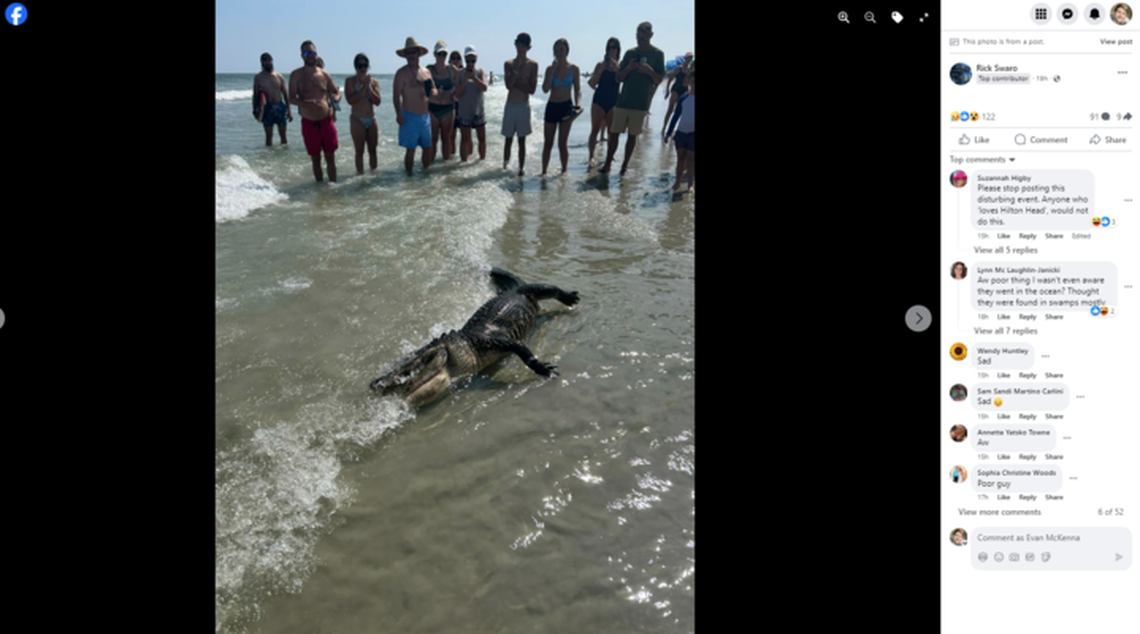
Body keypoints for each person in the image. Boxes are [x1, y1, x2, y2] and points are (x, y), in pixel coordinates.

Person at [601, 22, 664, 176]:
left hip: (640, 103)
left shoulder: (657, 54)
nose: (640, 39)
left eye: (643, 35)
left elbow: (659, 79)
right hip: (623, 101)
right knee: (614, 133)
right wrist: (628, 68)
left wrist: (649, 71)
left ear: (650, 35)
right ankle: (608, 163)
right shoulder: (630, 53)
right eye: (638, 35)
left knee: (632, 136)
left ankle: (624, 166)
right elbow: (619, 78)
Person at [289, 41, 340, 182]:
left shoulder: (324, 75)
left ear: (316, 54)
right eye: (307, 53)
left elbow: (336, 92)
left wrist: (335, 98)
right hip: (309, 123)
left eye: (312, 53)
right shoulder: (296, 75)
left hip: (326, 121)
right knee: (315, 159)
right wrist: (305, 104)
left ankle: (333, 189)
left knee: (331, 157)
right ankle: (320, 190)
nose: (310, 56)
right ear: (302, 55)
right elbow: (291, 98)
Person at [393, 37, 438, 174]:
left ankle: (426, 176)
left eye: (413, 52)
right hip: (409, 117)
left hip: (425, 117)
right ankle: (409, 178)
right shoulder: (401, 73)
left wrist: (433, 92)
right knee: (410, 150)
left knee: (427, 148)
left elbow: (434, 90)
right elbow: (395, 96)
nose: (411, 56)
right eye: (409, 53)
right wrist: (398, 114)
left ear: (419, 53)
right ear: (405, 56)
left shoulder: (426, 72)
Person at [541, 38, 581, 176]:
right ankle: (544, 172)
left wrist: (578, 104)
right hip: (552, 106)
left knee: (562, 143)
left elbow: (577, 90)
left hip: (566, 106)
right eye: (556, 51)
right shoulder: (549, 68)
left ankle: (564, 172)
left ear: (567, 51)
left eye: (561, 50)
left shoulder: (573, 68)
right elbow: (545, 89)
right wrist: (552, 71)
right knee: (548, 143)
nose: (558, 53)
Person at [503, 33, 539, 175]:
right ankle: (505, 166)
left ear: (528, 47)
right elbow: (508, 86)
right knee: (508, 139)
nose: (520, 48)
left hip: (523, 104)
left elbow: (532, 89)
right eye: (518, 44)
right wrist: (516, 73)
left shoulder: (533, 65)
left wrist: (516, 82)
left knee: (522, 140)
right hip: (511, 104)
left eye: (523, 45)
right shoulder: (509, 64)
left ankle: (521, 168)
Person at [587, 38, 621, 169]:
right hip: (599, 100)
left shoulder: (620, 65)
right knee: (595, 130)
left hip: (613, 101)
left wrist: (616, 67)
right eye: (609, 47)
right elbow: (591, 83)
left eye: (614, 47)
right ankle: (591, 155)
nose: (611, 50)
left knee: (612, 132)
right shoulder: (600, 64)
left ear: (618, 50)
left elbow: (622, 79)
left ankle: (610, 155)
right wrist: (601, 70)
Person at [346, 53, 381, 174]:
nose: (362, 69)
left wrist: (369, 88)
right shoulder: (350, 81)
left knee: (373, 150)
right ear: (355, 67)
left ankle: (374, 177)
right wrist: (363, 88)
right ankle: (360, 178)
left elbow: (378, 101)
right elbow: (350, 100)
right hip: (357, 119)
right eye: (360, 66)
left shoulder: (374, 82)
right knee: (359, 151)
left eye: (365, 65)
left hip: (371, 119)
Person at [455, 46, 488, 162]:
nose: (470, 63)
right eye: (468, 60)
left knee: (482, 139)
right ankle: (463, 164)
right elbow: (457, 94)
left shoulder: (480, 72)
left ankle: (482, 162)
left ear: (476, 59)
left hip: (478, 110)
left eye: (472, 60)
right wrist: (464, 80)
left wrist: (474, 78)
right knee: (464, 140)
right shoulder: (459, 74)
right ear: (464, 59)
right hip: (464, 111)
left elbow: (484, 88)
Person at [427, 41, 459, 162]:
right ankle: (429, 170)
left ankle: (445, 171)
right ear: (434, 54)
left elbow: (460, 86)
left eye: (444, 54)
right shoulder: (429, 70)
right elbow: (421, 89)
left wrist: (454, 95)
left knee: (447, 139)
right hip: (432, 109)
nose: (442, 57)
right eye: (439, 54)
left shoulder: (452, 70)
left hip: (448, 109)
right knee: (433, 140)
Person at [664, 71, 694, 194]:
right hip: (681, 133)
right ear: (689, 82)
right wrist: (668, 132)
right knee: (680, 159)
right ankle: (677, 182)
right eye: (693, 81)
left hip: (693, 134)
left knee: (691, 159)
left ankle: (690, 185)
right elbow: (676, 117)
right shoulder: (683, 98)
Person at [253, 52, 291, 146]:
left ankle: (284, 157)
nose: (267, 63)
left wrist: (289, 111)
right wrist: (255, 109)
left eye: (269, 60)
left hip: (280, 107)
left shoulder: (279, 76)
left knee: (283, 136)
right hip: (267, 109)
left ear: (272, 61)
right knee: (268, 137)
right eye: (264, 61)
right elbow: (256, 94)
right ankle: (268, 158)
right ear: (261, 63)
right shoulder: (258, 77)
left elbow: (286, 95)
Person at [661, 52, 692, 140]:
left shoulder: (690, 70)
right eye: (688, 57)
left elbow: (690, 82)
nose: (689, 59)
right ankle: (664, 127)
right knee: (670, 109)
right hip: (676, 89)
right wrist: (667, 90)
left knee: (679, 110)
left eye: (691, 58)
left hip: (684, 90)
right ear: (685, 58)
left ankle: (674, 128)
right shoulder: (679, 68)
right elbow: (670, 79)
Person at [313, 57, 341, 122]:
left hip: (328, 110)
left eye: (320, 65)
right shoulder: (310, 79)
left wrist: (334, 113)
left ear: (323, 65)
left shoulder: (327, 78)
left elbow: (336, 94)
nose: (319, 67)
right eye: (317, 65)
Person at [449, 51, 464, 157]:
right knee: (451, 135)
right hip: (451, 106)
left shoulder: (464, 74)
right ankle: (451, 158)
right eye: (453, 58)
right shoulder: (446, 74)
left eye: (457, 58)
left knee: (465, 136)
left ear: (461, 61)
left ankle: (466, 159)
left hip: (464, 106)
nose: (455, 60)